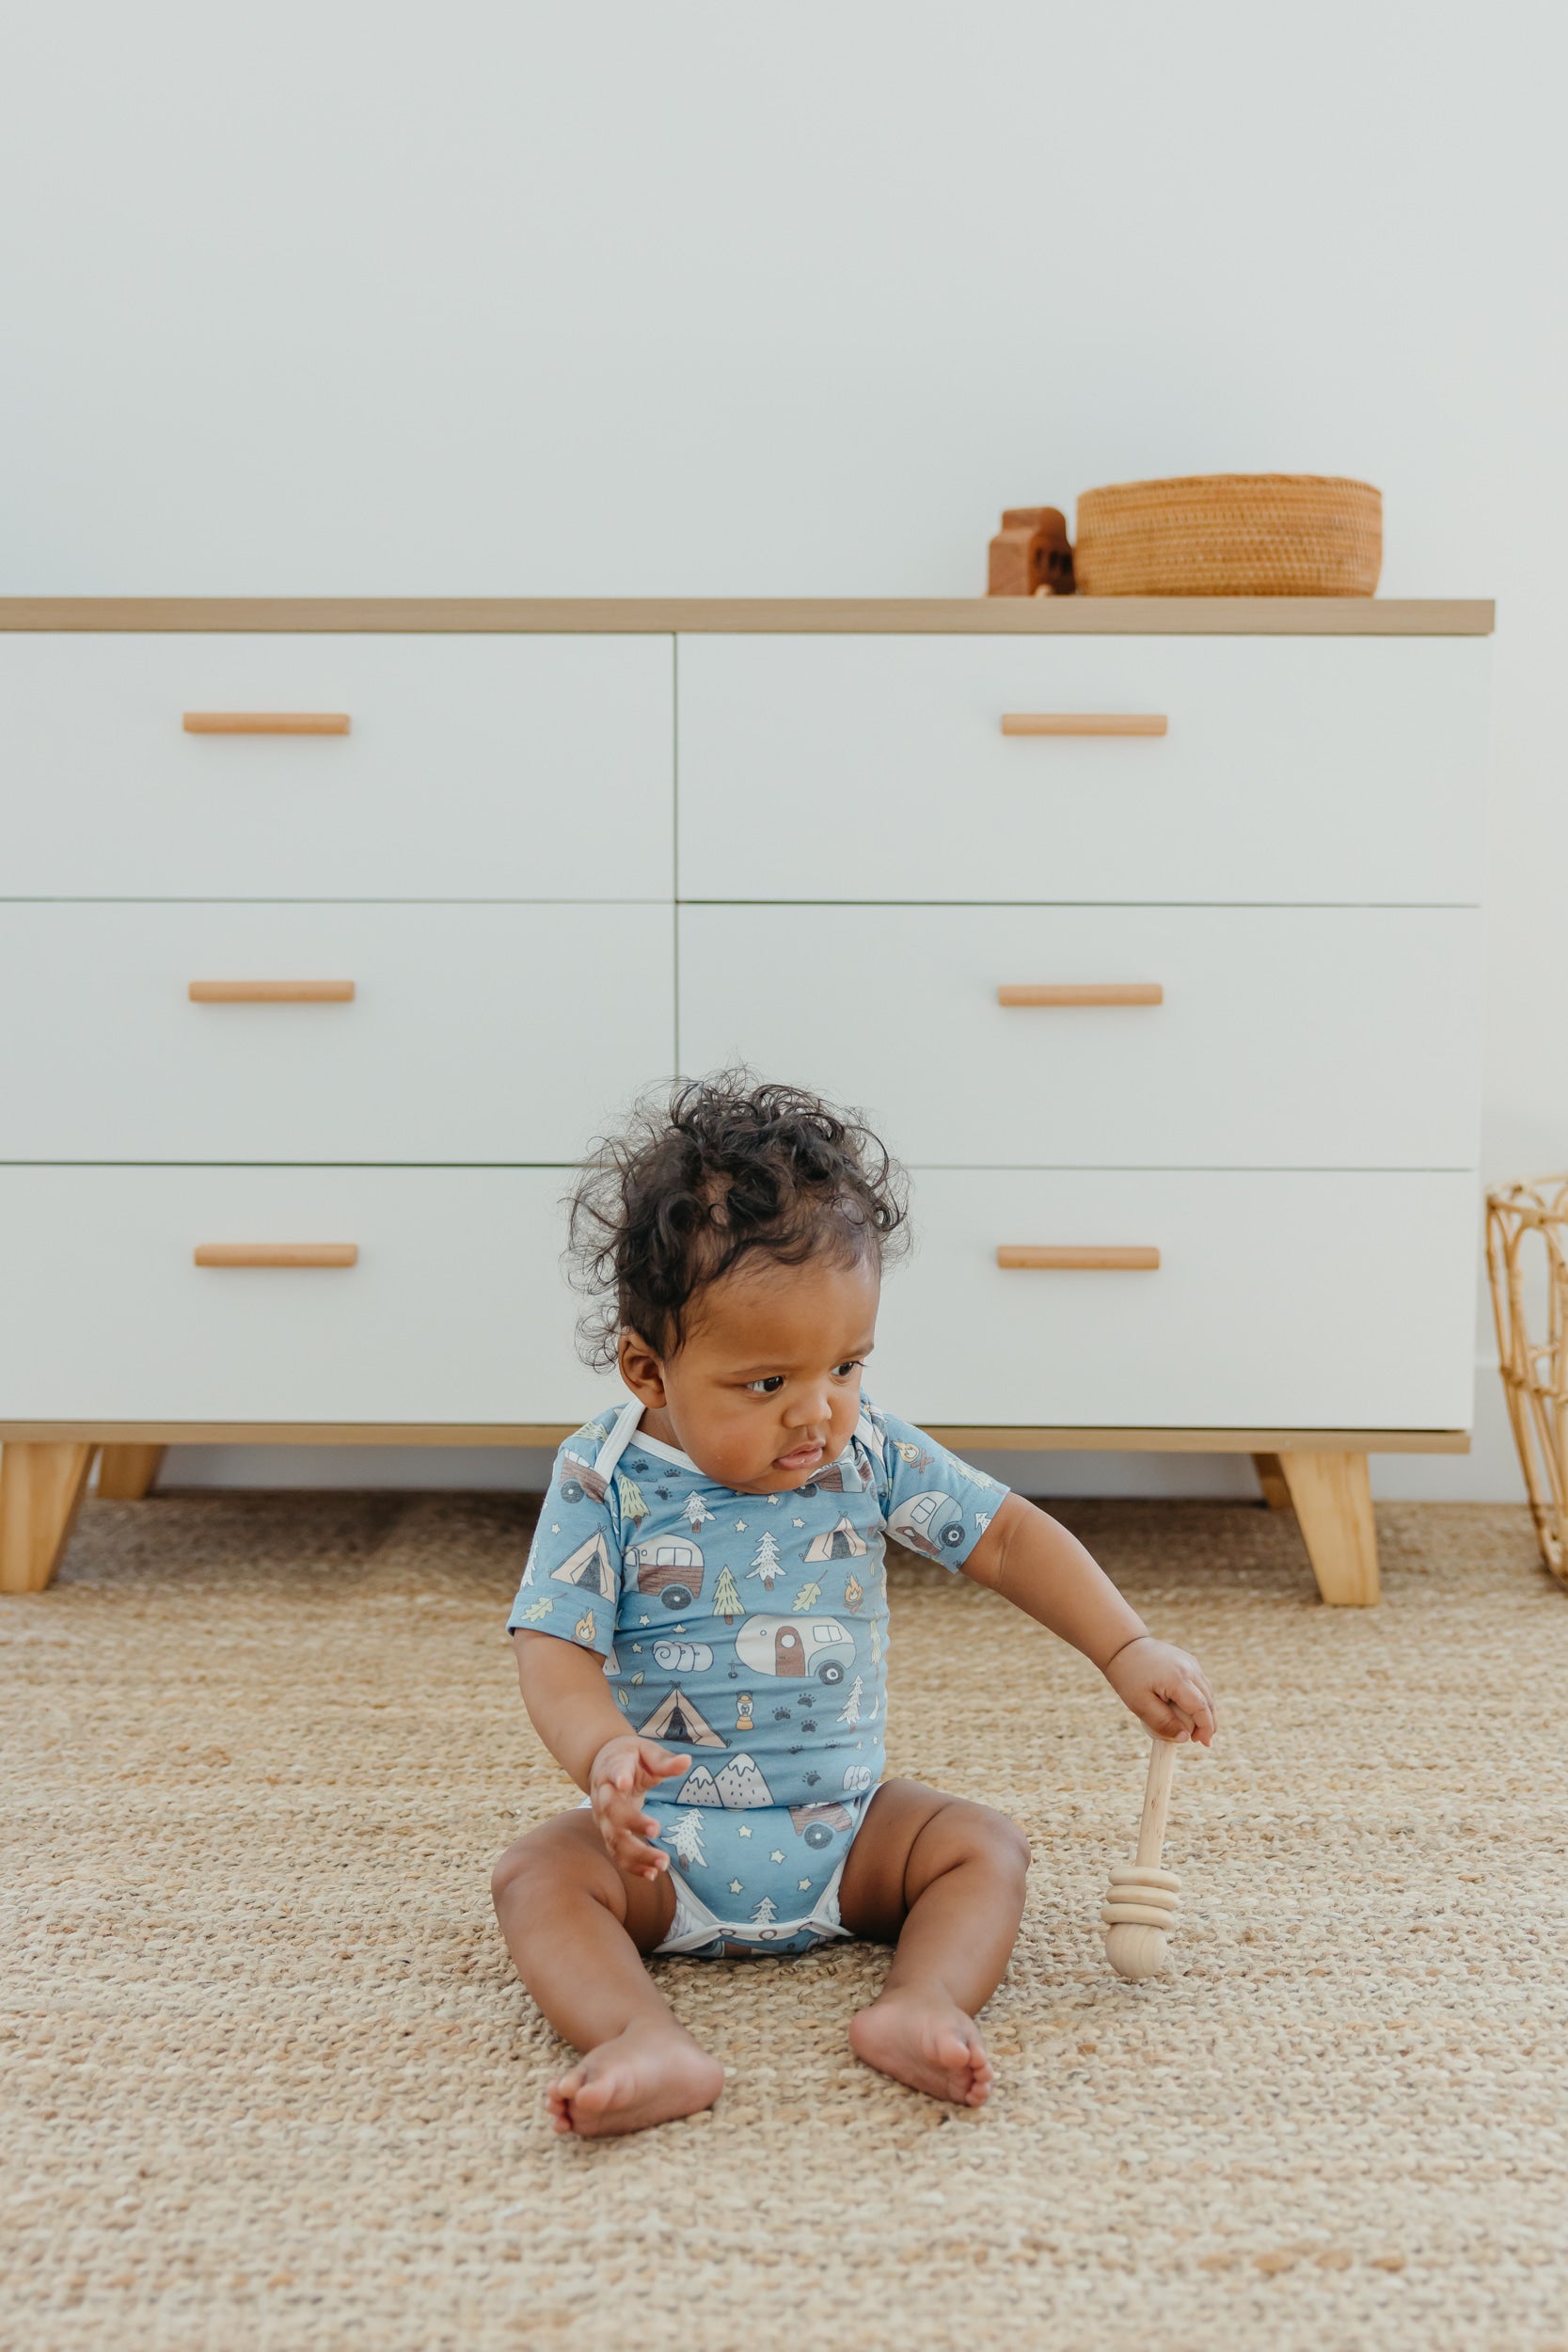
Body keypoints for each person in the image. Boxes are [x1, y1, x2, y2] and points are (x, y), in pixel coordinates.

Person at [493, 1076, 1217, 2137]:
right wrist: (602, 1753)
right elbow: (552, 1643)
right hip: (663, 1848)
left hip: (848, 1835)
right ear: (647, 1370)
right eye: (765, 1383)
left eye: (845, 1365)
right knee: (535, 1877)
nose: (817, 1412)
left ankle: (921, 2000)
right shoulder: (603, 1477)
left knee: (982, 1846)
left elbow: (1006, 1536)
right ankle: (636, 2035)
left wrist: (1125, 1646)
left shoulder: (867, 1449)